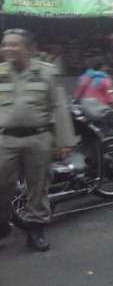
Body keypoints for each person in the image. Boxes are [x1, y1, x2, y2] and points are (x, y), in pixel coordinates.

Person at [0, 28, 76, 251]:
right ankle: (2, 223)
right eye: (5, 44)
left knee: (38, 186)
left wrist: (65, 141)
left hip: (38, 138)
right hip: (6, 140)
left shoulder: (47, 73)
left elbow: (59, 107)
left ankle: (36, 230)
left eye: (14, 44)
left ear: (29, 49)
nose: (7, 49)